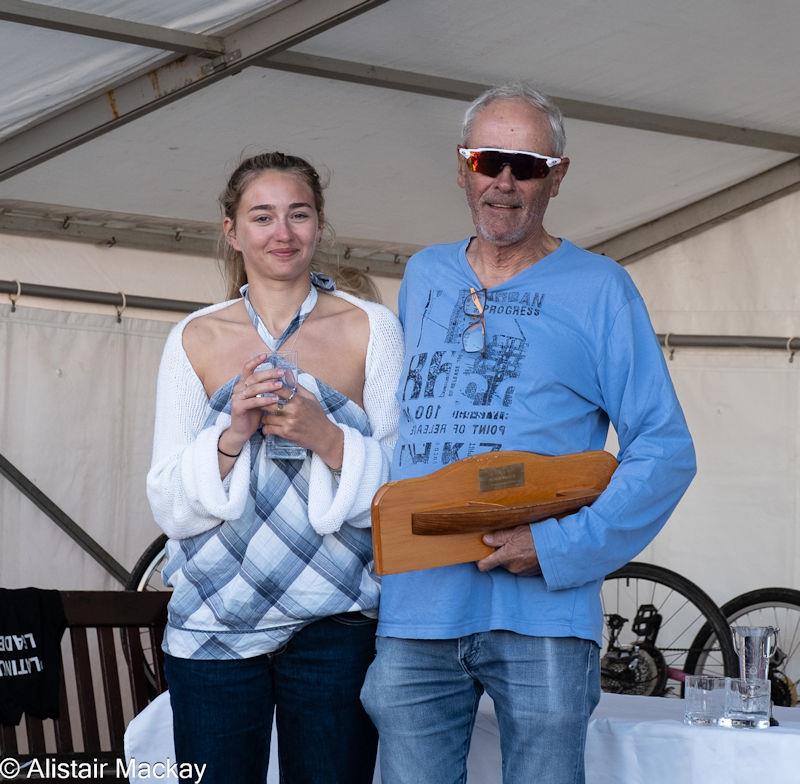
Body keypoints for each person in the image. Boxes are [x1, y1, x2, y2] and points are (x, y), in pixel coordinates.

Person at [360, 83, 697, 783]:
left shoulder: (601, 287)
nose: (505, 181)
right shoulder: (423, 275)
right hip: (418, 610)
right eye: (489, 160)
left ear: (558, 176)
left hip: (542, 617)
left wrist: (558, 546)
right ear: (463, 167)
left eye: (528, 165)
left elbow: (665, 449)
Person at [146, 151, 403, 784]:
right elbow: (168, 500)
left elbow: (405, 487)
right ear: (232, 231)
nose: (282, 233)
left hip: (337, 620)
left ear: (320, 224)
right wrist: (231, 436)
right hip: (213, 622)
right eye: (262, 217)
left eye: (298, 214)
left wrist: (328, 438)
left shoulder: (371, 328)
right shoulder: (193, 338)